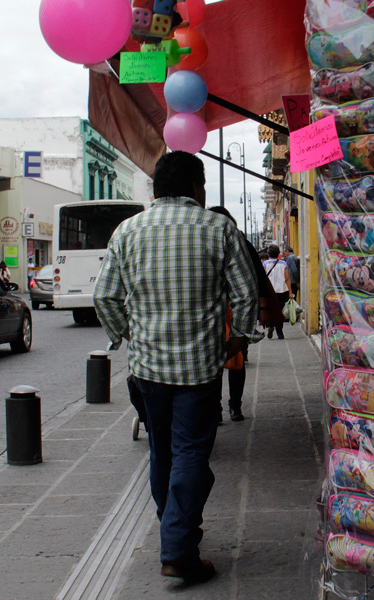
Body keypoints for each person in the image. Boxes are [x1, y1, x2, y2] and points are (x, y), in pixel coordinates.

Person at [93, 151, 259, 585]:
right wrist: (238, 335)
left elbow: (104, 297)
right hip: (199, 370)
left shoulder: (126, 231)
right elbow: (245, 293)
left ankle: (175, 529)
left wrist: (128, 334)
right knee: (189, 453)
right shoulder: (218, 228)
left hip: (147, 370)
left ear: (155, 189)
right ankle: (179, 548)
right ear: (198, 188)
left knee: (162, 451)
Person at [208, 206, 269, 423]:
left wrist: (260, 307)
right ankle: (226, 407)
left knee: (232, 359)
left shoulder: (239, 241)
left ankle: (230, 405)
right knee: (231, 360)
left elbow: (256, 275)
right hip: (220, 311)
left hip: (232, 310)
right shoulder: (223, 239)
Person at [263, 244, 292, 340]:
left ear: (269, 254)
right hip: (282, 291)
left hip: (270, 292)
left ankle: (271, 326)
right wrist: (290, 292)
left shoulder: (265, 264)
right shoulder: (284, 264)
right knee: (280, 312)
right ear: (278, 253)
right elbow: (287, 279)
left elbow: (263, 279)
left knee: (271, 310)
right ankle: (280, 332)